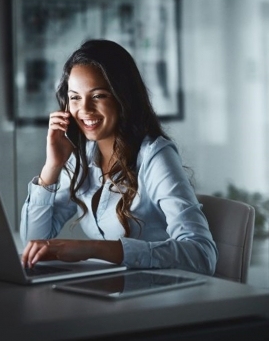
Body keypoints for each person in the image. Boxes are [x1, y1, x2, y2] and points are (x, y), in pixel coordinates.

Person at [20, 39, 217, 275]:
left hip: (157, 297)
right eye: (75, 97)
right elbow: (33, 242)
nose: (85, 109)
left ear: (122, 98)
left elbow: (202, 255)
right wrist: (51, 167)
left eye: (98, 96)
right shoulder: (83, 157)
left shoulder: (155, 157)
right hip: (111, 291)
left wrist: (94, 249)